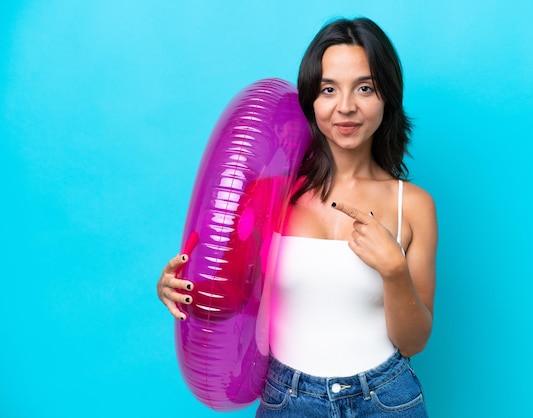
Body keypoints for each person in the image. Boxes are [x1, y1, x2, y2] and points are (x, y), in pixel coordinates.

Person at [157, 17, 437, 417]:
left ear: (386, 97)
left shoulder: (413, 206)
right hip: (288, 399)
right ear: (311, 100)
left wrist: (394, 271)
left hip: (386, 399)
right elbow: (227, 297)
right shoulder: (273, 194)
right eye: (328, 89)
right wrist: (178, 289)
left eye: (364, 87)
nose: (346, 106)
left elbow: (413, 341)